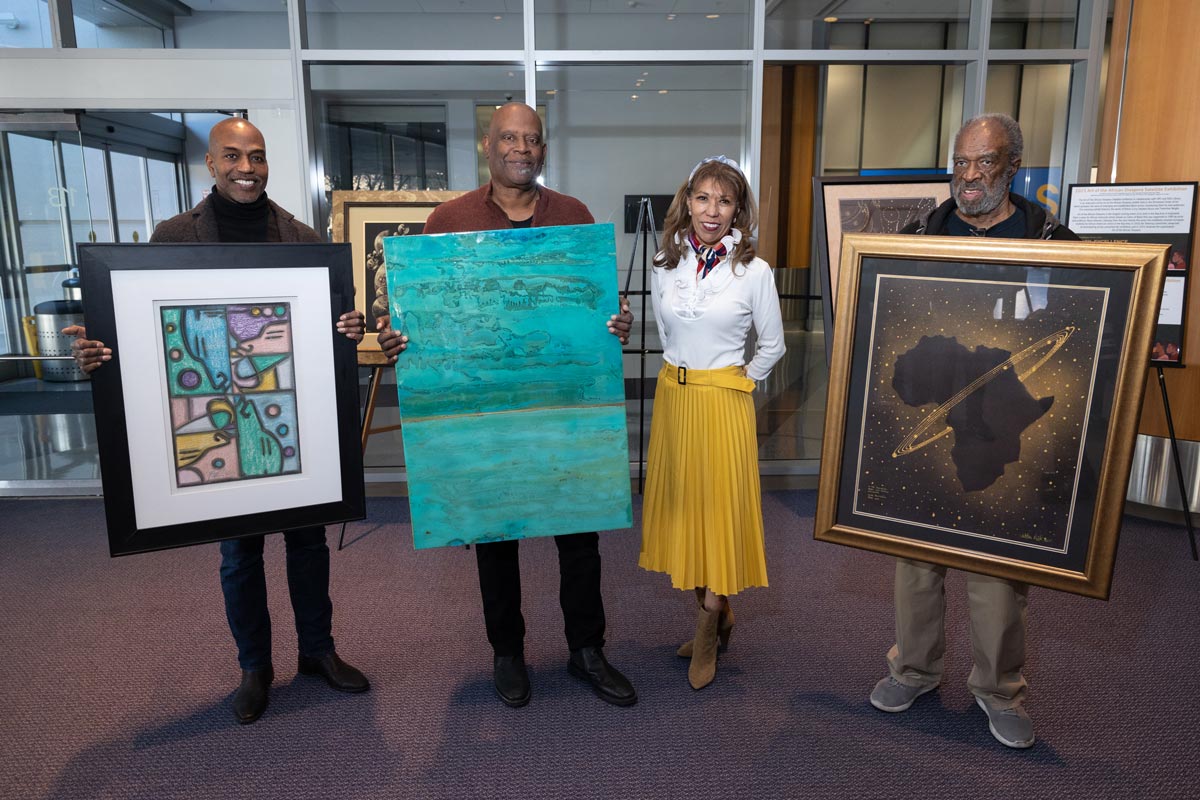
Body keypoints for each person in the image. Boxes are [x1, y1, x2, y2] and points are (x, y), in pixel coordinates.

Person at [64, 117, 370, 725]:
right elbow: (148, 331)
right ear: (210, 163)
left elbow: (330, 322)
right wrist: (100, 348)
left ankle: (318, 652)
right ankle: (254, 667)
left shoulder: (301, 235)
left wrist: (347, 328)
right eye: (233, 156)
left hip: (288, 414)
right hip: (213, 412)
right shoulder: (174, 235)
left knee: (309, 542)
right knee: (240, 552)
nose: (247, 169)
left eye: (257, 157)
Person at [378, 102, 637, 709]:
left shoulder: (573, 217)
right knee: (494, 535)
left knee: (579, 537)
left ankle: (587, 650)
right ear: (486, 147)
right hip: (484, 410)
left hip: (564, 409)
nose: (521, 148)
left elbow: (590, 308)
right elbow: (418, 316)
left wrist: (614, 324)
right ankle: (508, 652)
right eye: (509, 138)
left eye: (532, 139)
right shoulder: (449, 220)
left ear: (543, 150)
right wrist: (399, 338)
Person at [870, 112, 1079, 749]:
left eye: (983, 163)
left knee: (997, 566)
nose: (968, 176)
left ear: (1012, 167)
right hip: (934, 412)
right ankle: (914, 668)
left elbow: (1080, 335)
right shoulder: (921, 233)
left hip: (1005, 419)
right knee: (915, 553)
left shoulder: (1053, 241)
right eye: (960, 163)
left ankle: (999, 690)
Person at [636, 156, 785, 690]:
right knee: (686, 511)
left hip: (723, 406)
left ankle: (707, 625)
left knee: (718, 512)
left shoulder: (754, 271)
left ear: (737, 208)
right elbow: (668, 336)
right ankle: (718, 613)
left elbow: (773, 346)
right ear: (688, 202)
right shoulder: (663, 263)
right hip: (675, 404)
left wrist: (739, 381)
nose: (712, 210)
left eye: (724, 200)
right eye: (703, 198)